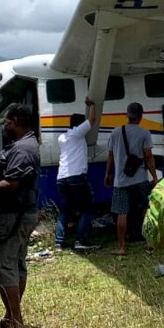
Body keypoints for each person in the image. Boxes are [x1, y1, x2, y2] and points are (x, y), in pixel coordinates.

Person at [0, 104, 40, 328]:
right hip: (21, 214)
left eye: (6, 122)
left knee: (4, 266)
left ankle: (17, 324)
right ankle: (10, 317)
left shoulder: (23, 150)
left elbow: (13, 184)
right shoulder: (24, 145)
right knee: (16, 265)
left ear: (16, 121)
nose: (3, 127)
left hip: (13, 215)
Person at [105, 102, 157, 255]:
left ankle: (121, 247)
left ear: (127, 116)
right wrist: (154, 176)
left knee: (122, 212)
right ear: (141, 116)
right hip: (140, 179)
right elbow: (148, 156)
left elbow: (110, 156)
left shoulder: (115, 132)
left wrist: (107, 174)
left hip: (120, 181)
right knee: (144, 210)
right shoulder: (144, 133)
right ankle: (148, 242)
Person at [55, 97, 98, 251]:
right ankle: (81, 241)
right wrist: (92, 105)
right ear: (80, 125)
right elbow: (92, 120)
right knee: (87, 209)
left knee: (65, 211)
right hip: (76, 177)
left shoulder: (62, 137)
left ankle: (59, 242)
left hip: (61, 178)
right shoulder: (77, 134)